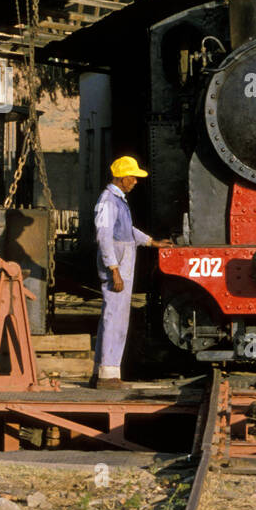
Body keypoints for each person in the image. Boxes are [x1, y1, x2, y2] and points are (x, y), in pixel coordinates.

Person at [93, 156, 172, 389]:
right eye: (133, 177)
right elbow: (104, 236)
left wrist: (152, 242)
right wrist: (113, 270)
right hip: (117, 268)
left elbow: (128, 231)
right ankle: (108, 376)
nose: (136, 181)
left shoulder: (118, 200)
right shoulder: (108, 201)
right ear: (122, 177)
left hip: (121, 266)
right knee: (114, 318)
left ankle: (103, 370)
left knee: (115, 317)